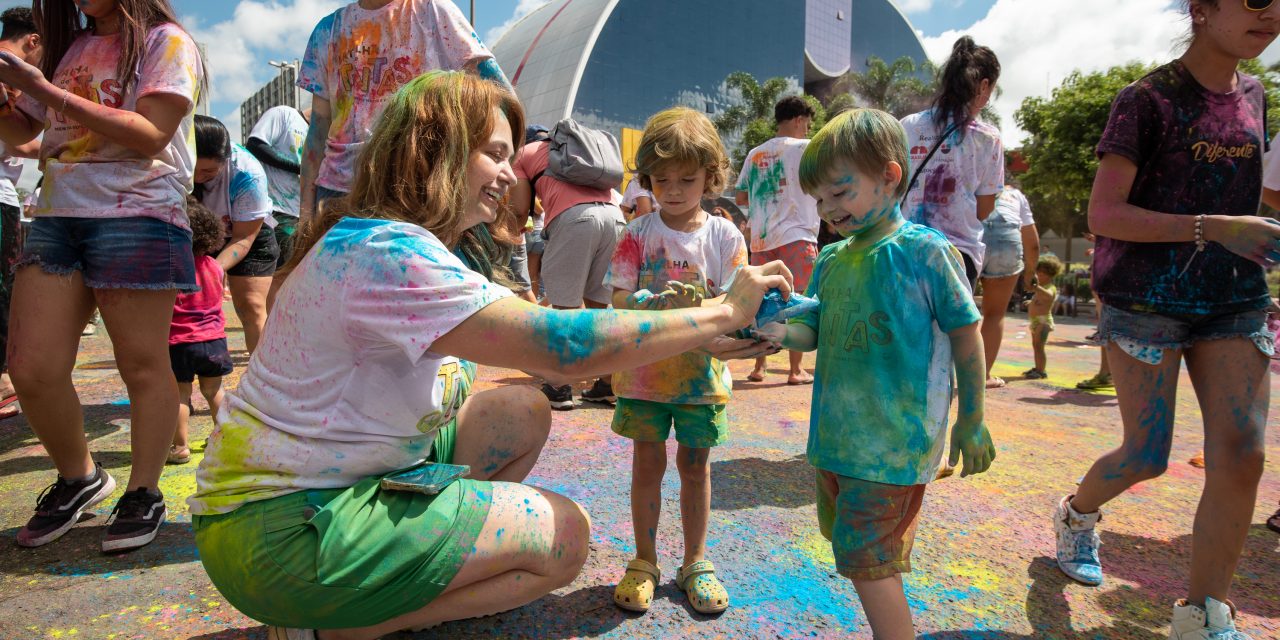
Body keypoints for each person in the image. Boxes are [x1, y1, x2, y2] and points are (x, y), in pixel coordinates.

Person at [188, 70, 785, 639]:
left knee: (523, 412)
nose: (509, 174)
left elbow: (550, 352)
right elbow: (563, 349)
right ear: (435, 152)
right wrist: (724, 312)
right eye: (495, 155)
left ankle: (412, 556)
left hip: (304, 505)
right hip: (283, 538)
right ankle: (343, 625)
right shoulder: (389, 255)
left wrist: (710, 335)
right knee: (563, 539)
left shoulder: (390, 240)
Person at [1054, 2, 1278, 637]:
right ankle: (1076, 516)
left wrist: (1251, 234)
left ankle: (1203, 617)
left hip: (1235, 298)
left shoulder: (1257, 95)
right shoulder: (1145, 99)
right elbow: (1104, 214)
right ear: (1202, 10)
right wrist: (1215, 228)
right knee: (1147, 454)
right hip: (1145, 301)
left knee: (1242, 456)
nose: (1273, 13)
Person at [759, 108, 993, 640]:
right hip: (836, 441)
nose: (829, 210)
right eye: (819, 200)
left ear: (890, 176)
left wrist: (973, 419)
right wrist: (776, 331)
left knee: (866, 559)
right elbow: (813, 332)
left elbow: (966, 333)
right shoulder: (832, 260)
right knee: (858, 549)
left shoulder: (926, 252)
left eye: (841, 193)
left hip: (893, 445)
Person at [0, 0, 204, 553]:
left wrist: (43, 90)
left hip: (138, 210)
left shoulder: (167, 41)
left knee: (141, 363)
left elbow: (150, 134)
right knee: (30, 365)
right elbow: (29, 139)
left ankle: (144, 490)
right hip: (58, 211)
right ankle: (80, 477)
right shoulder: (70, 47)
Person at [606, 107, 748, 615]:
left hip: (701, 379)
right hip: (645, 376)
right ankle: (645, 560)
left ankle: (696, 561)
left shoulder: (725, 236)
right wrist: (648, 303)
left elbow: (738, 305)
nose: (673, 189)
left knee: (694, 465)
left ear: (711, 176)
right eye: (661, 179)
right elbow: (619, 297)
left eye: (687, 178)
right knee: (647, 462)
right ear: (646, 178)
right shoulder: (637, 233)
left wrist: (711, 314)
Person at [298, 0, 510, 220]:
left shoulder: (432, 11)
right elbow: (317, 134)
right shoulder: (329, 29)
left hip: (411, 192)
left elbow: (502, 96)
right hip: (336, 193)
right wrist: (304, 218)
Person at [510, 126, 626, 410]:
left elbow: (519, 210)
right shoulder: (583, 148)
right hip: (615, 218)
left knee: (565, 307)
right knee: (602, 309)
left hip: (574, 219)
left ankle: (560, 386)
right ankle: (608, 384)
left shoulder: (524, 154)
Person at [900, 36, 1003, 290]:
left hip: (903, 251)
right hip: (957, 255)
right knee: (955, 331)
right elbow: (985, 207)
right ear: (984, 86)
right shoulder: (987, 138)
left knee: (903, 328)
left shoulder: (908, 125)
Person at [735, 95, 820, 385]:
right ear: (799, 120)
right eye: (807, 123)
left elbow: (741, 196)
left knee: (762, 303)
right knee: (797, 302)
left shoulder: (755, 154)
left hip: (761, 239)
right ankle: (796, 370)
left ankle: (760, 367)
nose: (807, 130)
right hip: (798, 236)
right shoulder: (808, 149)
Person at [193, 115, 277, 355]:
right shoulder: (173, 162)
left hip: (245, 234)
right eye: (194, 170)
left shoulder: (247, 174)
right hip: (198, 234)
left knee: (250, 304)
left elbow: (244, 238)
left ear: (225, 159)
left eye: (208, 172)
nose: (198, 178)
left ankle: (261, 375)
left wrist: (213, 270)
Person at [0, 6, 41, 422]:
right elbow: (24, 144)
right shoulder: (10, 72)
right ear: (32, 40)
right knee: (2, 290)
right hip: (0, 198)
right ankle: (3, 380)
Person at [167, 198, 230, 465]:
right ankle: (224, 440)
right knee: (215, 392)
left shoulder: (171, 267)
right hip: (214, 340)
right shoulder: (214, 266)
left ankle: (180, 447)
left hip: (179, 341)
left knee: (180, 396)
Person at [245, 104, 308, 310]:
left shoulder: (323, 135)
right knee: (280, 275)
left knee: (295, 275)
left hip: (303, 214)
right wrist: (299, 168)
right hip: (276, 209)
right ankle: (274, 327)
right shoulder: (284, 115)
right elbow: (256, 144)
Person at [980, 179, 1039, 388]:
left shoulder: (974, 182)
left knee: (953, 310)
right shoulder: (1016, 195)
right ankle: (983, 376)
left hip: (972, 236)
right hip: (1007, 242)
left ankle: (941, 372)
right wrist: (1030, 273)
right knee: (994, 314)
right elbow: (1032, 242)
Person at [1023, 255, 1062, 380]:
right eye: (1038, 273)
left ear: (1050, 274)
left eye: (1042, 274)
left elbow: (1049, 296)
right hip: (1035, 321)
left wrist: (1036, 288)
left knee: (1039, 346)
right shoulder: (1042, 289)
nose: (1039, 276)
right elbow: (1040, 300)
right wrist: (1031, 302)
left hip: (1043, 321)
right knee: (1036, 346)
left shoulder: (1050, 287)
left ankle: (1041, 370)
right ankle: (1037, 367)